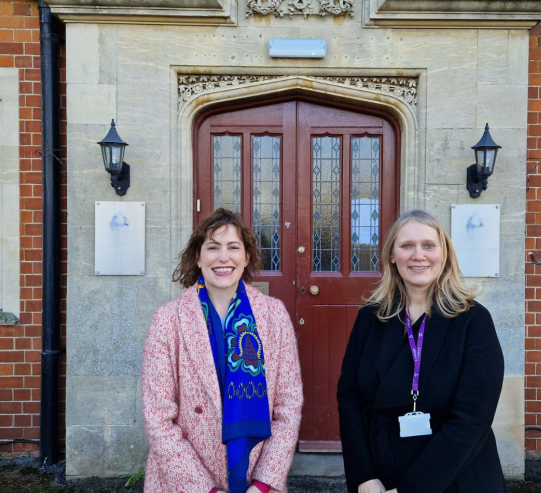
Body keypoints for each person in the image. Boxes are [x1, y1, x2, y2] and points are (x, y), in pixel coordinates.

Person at [337, 209, 505, 493]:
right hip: (381, 476)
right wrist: (363, 476)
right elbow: (350, 399)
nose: (418, 255)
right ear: (392, 255)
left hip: (454, 476)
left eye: (428, 245)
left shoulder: (473, 321)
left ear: (444, 254)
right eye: (406, 246)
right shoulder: (370, 317)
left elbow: (472, 419)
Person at [142, 208, 303, 493]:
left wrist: (264, 484)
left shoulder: (274, 315)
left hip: (255, 479)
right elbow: (158, 417)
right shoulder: (168, 319)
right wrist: (205, 489)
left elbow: (288, 407)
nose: (223, 257)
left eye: (233, 247)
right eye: (213, 247)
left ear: (246, 257)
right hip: (184, 483)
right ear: (198, 256)